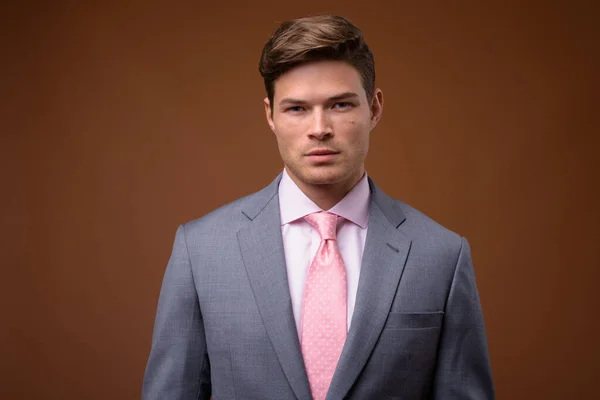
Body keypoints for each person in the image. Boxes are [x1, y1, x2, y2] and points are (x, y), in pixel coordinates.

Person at [142, 14, 494, 400]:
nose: (319, 128)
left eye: (340, 105)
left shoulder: (441, 255)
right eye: (296, 109)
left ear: (374, 108)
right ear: (270, 115)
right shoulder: (201, 250)